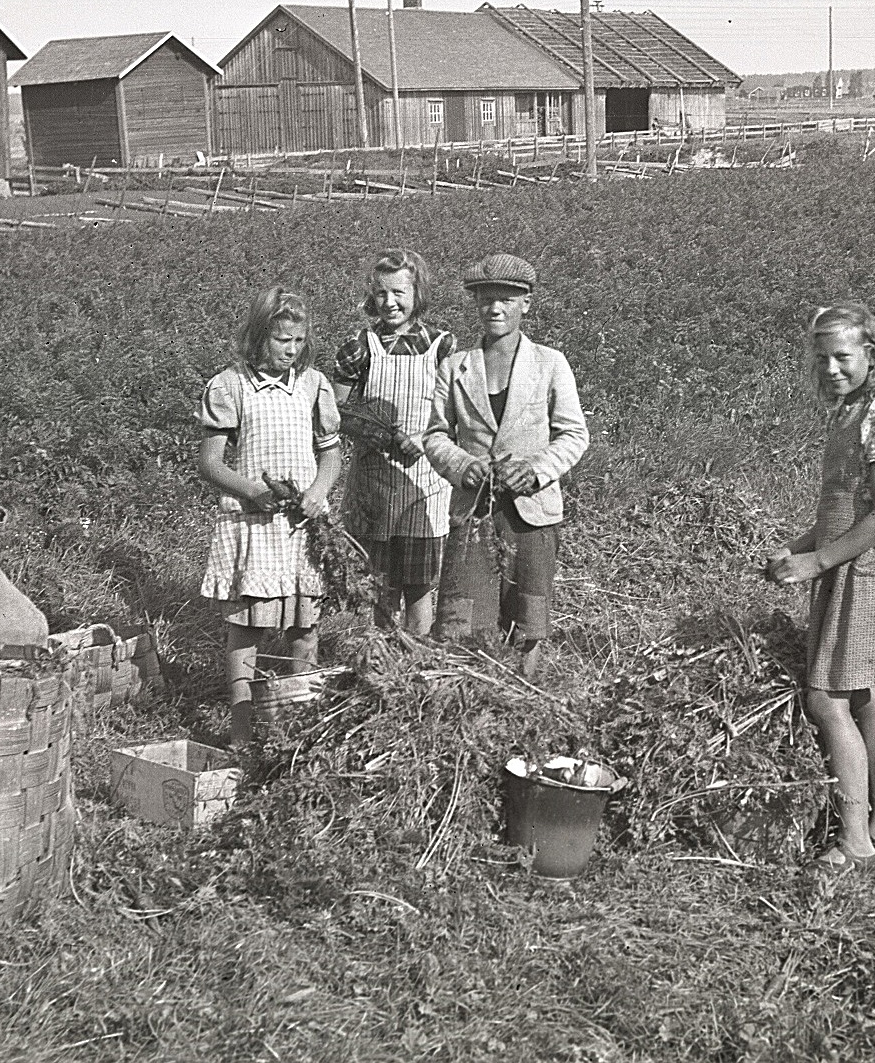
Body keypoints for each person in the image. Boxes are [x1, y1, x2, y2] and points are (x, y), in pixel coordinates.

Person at [767, 303, 875, 877]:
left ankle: (855, 841)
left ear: (872, 357)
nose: (831, 368)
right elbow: (840, 507)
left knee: (825, 697)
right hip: (846, 559)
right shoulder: (847, 411)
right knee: (866, 696)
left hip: (871, 567)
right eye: (822, 358)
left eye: (844, 357)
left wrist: (816, 563)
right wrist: (798, 548)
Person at [424, 254, 589, 677]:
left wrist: (534, 471)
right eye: (486, 300)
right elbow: (435, 435)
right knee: (463, 619)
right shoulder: (454, 365)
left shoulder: (550, 363)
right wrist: (464, 466)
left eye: (506, 300)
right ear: (475, 304)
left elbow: (573, 434)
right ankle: (471, 692)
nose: (495, 309)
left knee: (529, 613)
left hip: (531, 513)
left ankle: (521, 691)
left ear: (526, 304)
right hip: (473, 511)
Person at [195, 286, 343, 745]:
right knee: (247, 633)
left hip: (302, 528)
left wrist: (319, 491)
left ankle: (302, 734)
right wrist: (252, 491)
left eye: (298, 341)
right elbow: (211, 463)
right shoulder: (231, 385)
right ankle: (243, 736)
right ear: (260, 336)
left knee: (305, 629)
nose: (291, 350)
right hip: (254, 527)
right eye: (282, 340)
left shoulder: (313, 385)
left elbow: (332, 453)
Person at [330, 249, 455, 642]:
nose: (390, 303)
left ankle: (416, 658)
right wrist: (380, 432)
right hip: (374, 483)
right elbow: (336, 414)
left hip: (427, 484)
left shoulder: (443, 346)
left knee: (420, 584)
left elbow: (456, 412)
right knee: (379, 585)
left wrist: (423, 438)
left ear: (418, 292)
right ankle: (382, 655)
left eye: (399, 292)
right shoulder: (359, 347)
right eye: (381, 293)